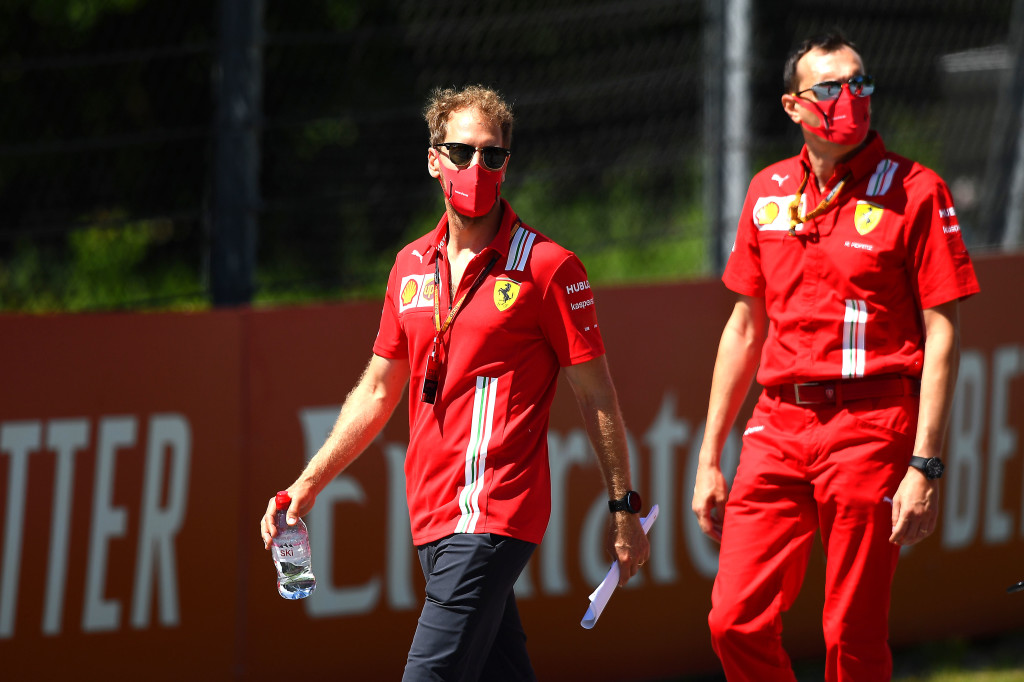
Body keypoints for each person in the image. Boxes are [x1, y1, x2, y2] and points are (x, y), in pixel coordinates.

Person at [260, 84, 650, 681]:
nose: (476, 167)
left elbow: (596, 394)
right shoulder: (409, 265)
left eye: (492, 156)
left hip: (493, 513)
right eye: (462, 152)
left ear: (506, 165)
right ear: (433, 159)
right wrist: (307, 484)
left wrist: (623, 507)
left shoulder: (548, 267)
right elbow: (377, 390)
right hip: (432, 513)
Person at [691, 32, 979, 681]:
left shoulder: (917, 190)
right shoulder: (767, 190)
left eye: (859, 83)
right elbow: (743, 329)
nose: (849, 97)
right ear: (793, 106)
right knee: (733, 621)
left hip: (872, 425)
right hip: (777, 426)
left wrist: (925, 464)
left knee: (850, 633)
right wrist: (709, 459)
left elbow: (943, 334)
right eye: (830, 88)